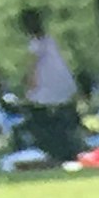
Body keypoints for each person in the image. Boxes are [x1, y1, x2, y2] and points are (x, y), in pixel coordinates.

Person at [9, 14, 81, 167]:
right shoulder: (50, 42)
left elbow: (32, 72)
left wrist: (26, 93)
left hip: (47, 94)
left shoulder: (35, 44)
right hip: (64, 89)